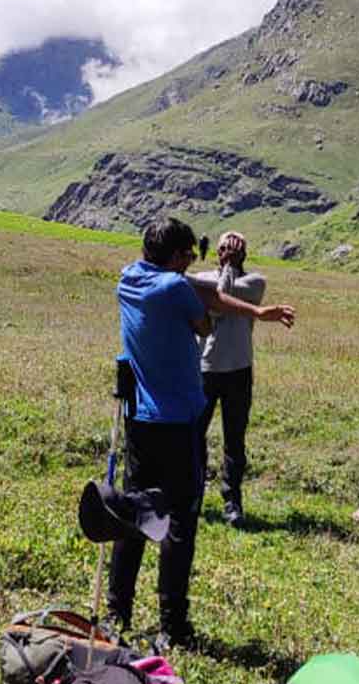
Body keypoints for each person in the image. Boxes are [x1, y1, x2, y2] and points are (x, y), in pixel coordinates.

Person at [108, 218, 295, 650]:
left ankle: (118, 612)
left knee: (134, 513)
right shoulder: (175, 289)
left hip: (140, 420)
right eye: (189, 255)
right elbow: (206, 322)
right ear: (176, 257)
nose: (193, 260)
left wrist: (255, 313)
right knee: (180, 523)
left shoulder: (129, 277)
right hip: (179, 422)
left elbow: (202, 290)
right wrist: (232, 298)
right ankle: (173, 625)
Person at [188, 231, 267, 528]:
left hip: (238, 370)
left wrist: (228, 270)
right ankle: (193, 493)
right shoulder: (203, 279)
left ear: (244, 255)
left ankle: (232, 500)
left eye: (235, 249)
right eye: (224, 248)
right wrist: (223, 276)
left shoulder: (255, 282)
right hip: (205, 368)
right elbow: (216, 307)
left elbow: (221, 298)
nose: (229, 252)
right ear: (216, 252)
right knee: (194, 434)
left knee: (235, 439)